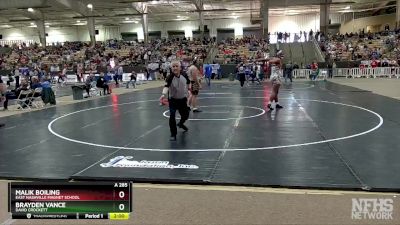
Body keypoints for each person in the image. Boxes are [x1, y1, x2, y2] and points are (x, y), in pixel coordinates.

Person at [160, 60, 191, 141]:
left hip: (183, 99)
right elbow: (166, 87)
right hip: (173, 100)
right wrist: (163, 95)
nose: (175, 68)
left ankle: (181, 123)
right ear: (171, 68)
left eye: (177, 66)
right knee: (172, 116)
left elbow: (188, 83)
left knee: (186, 115)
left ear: (180, 67)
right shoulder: (169, 77)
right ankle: (173, 134)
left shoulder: (184, 75)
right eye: (173, 66)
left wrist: (189, 90)